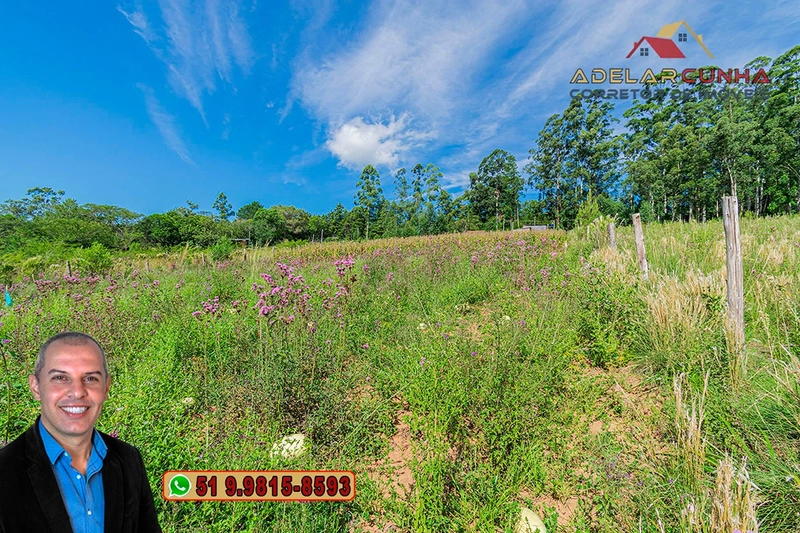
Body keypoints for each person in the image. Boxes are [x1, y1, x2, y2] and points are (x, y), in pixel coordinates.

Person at [0, 332, 162, 533]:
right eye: (60, 378)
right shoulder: (4, 471)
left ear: (106, 387)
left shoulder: (129, 460)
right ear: (35, 387)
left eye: (91, 378)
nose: (77, 392)